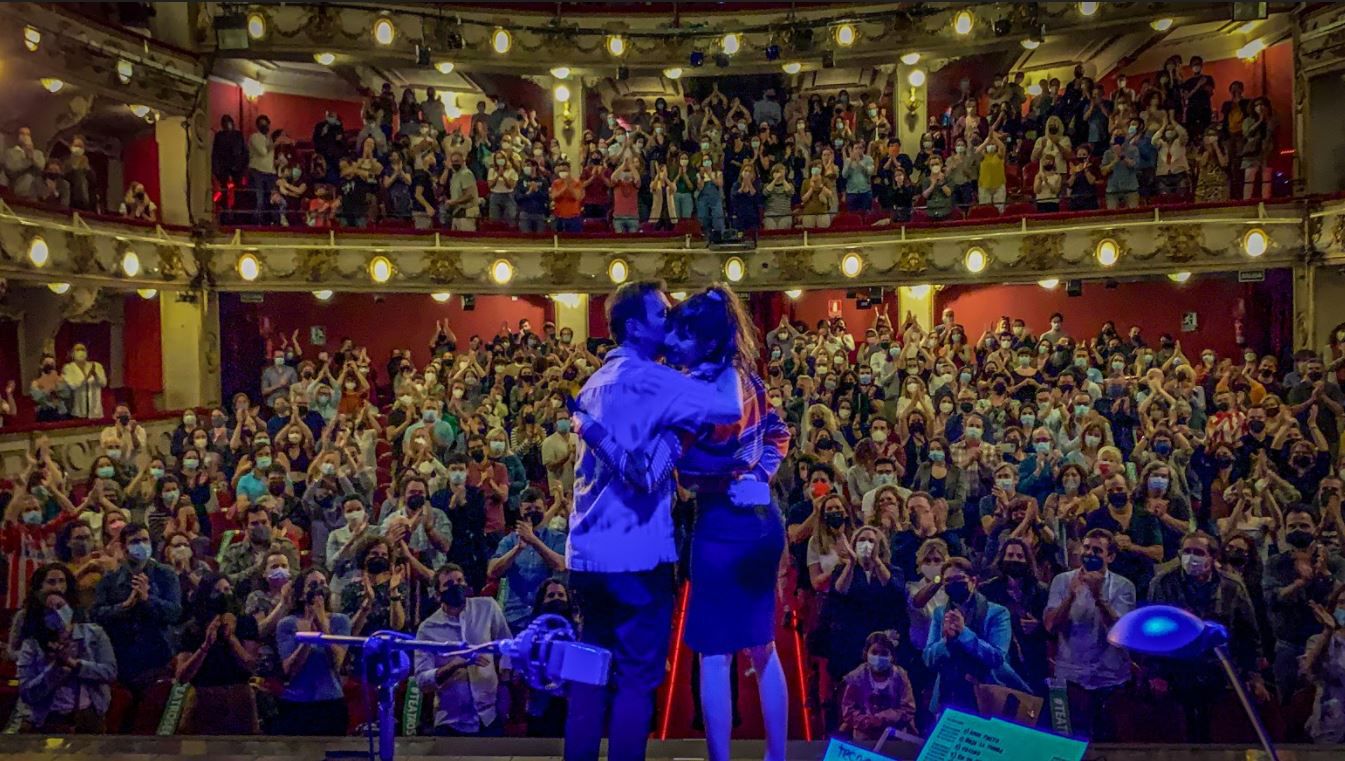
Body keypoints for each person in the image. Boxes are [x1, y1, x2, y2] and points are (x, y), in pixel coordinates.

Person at [572, 283, 790, 761]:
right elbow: (775, 431)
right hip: (743, 520)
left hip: (708, 526)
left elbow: (652, 470)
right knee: (760, 648)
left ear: (704, 340)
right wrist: (759, 473)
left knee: (710, 654)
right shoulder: (736, 379)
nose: (670, 334)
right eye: (663, 318)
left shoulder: (668, 390)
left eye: (681, 330)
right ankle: (776, 757)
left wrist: (590, 430)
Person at [1147, 531, 1266, 742]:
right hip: (1177, 670)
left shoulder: (1232, 586)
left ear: (1212, 557)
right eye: (1187, 551)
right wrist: (1156, 673)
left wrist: (1253, 674)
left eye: (1198, 552)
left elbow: (1248, 634)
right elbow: (1152, 632)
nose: (1192, 557)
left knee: (1217, 733)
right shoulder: (1162, 583)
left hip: (1219, 672)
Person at [1043, 528, 1136, 741]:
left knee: (1108, 741)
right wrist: (1070, 597)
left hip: (1109, 677)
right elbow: (1050, 626)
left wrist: (1098, 597)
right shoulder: (1062, 580)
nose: (1090, 554)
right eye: (1086, 548)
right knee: (1071, 739)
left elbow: (1122, 634)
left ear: (1110, 556)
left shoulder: (1124, 585)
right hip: (1071, 676)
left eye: (1097, 550)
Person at [91, 522, 182, 726]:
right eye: (134, 542)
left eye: (144, 540)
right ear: (123, 548)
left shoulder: (165, 574)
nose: (141, 545)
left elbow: (174, 612)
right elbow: (96, 615)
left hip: (158, 655)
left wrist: (147, 599)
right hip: (122, 656)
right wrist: (124, 606)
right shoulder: (110, 580)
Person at [413, 563, 512, 736]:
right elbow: (422, 680)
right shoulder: (427, 628)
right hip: (451, 720)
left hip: (489, 715)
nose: (457, 587)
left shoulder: (487, 607)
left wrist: (505, 685)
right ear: (438, 595)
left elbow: (507, 646)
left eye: (460, 581)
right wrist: (454, 665)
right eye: (449, 585)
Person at [922, 557, 1029, 713]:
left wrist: (964, 633)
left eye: (959, 579)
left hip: (987, 692)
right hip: (948, 693)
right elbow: (928, 658)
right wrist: (946, 641)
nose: (953, 584)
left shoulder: (997, 613)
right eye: (948, 581)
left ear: (973, 581)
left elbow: (997, 658)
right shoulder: (940, 613)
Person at [14, 574, 116, 733]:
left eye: (60, 606)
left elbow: (109, 672)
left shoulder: (94, 634)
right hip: (46, 719)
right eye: (49, 610)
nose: (55, 614)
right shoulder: (32, 644)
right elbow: (27, 693)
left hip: (87, 716)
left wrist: (75, 665)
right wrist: (55, 670)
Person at [173, 573, 261, 734]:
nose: (223, 596)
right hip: (203, 699)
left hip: (239, 698)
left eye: (227, 590)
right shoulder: (193, 628)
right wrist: (206, 646)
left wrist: (231, 639)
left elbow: (251, 665)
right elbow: (182, 676)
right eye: (217, 592)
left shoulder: (246, 622)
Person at [274, 566, 351, 735]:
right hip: (297, 704)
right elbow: (290, 669)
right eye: (313, 585)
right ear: (302, 594)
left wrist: (323, 624)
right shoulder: (287, 624)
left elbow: (337, 662)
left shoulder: (340, 621)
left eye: (323, 584)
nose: (318, 589)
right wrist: (308, 637)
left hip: (331, 701)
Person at [487, 488, 567, 633]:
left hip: (549, 614)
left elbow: (560, 565)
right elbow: (492, 571)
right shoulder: (509, 540)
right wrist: (517, 549)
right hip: (514, 616)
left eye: (537, 508)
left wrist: (534, 541)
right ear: (521, 510)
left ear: (545, 508)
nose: (533, 511)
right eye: (528, 508)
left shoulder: (557, 538)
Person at [839, 630, 917, 743]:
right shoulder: (856, 677)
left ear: (892, 656)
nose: (878, 657)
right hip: (864, 737)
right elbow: (848, 710)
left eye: (884, 653)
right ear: (866, 654)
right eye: (874, 652)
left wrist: (884, 718)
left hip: (895, 736)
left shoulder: (900, 676)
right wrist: (868, 721)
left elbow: (909, 709)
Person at [61, 344, 106, 420]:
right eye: (78, 350)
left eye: (83, 349)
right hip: (78, 410)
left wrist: (96, 376)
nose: (81, 352)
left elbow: (103, 383)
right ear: (72, 353)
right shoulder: (68, 368)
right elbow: (73, 385)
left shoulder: (96, 366)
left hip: (95, 411)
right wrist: (86, 377)